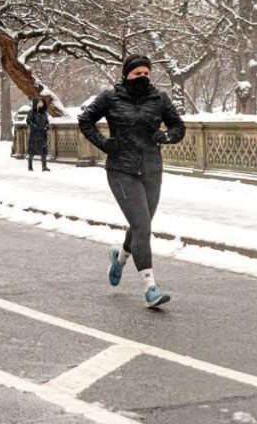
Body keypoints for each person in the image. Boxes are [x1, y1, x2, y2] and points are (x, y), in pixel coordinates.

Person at [78, 54, 185, 308]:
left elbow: (179, 127)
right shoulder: (109, 98)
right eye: (138, 74)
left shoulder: (160, 99)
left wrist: (165, 137)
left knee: (141, 225)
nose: (143, 77)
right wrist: (105, 144)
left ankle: (120, 257)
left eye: (147, 73)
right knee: (142, 226)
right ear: (126, 75)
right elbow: (85, 120)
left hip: (151, 170)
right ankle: (150, 288)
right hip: (121, 170)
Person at [26, 97, 50, 172]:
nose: (41, 104)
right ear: (36, 103)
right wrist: (35, 127)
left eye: (42, 102)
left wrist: (46, 127)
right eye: (39, 102)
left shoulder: (44, 113)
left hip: (43, 134)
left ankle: (44, 166)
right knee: (32, 151)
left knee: (43, 151)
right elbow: (29, 121)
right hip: (34, 134)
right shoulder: (32, 112)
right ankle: (30, 166)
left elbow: (47, 122)